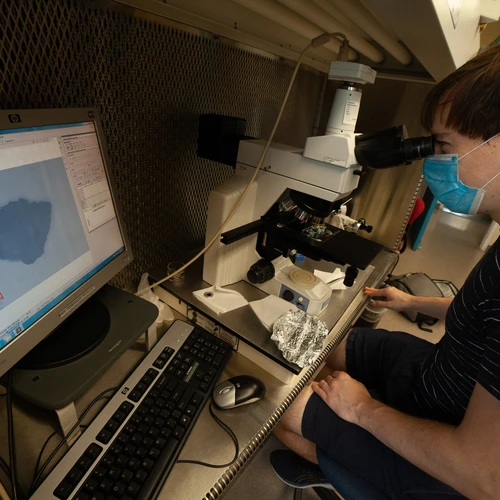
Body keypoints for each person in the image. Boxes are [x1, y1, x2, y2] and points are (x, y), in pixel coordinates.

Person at [271, 44, 500, 500]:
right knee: (324, 346)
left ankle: (341, 469)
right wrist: (413, 302)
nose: (434, 160)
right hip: (436, 375)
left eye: (443, 145)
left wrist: (363, 410)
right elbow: (487, 317)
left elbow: (483, 477)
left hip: (451, 463)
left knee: (277, 406)